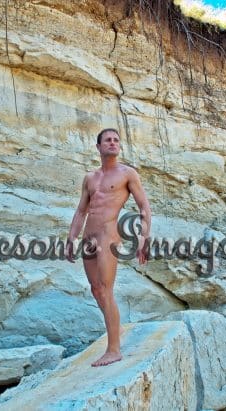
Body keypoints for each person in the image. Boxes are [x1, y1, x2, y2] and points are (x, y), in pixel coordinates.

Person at [66, 128, 152, 367]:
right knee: (96, 290)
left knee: (105, 288)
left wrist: (144, 237)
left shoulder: (127, 174)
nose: (113, 143)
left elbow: (144, 206)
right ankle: (115, 330)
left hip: (108, 235)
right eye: (108, 140)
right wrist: (71, 238)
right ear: (98, 147)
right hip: (89, 237)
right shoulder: (90, 178)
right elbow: (81, 211)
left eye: (116, 140)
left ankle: (114, 350)